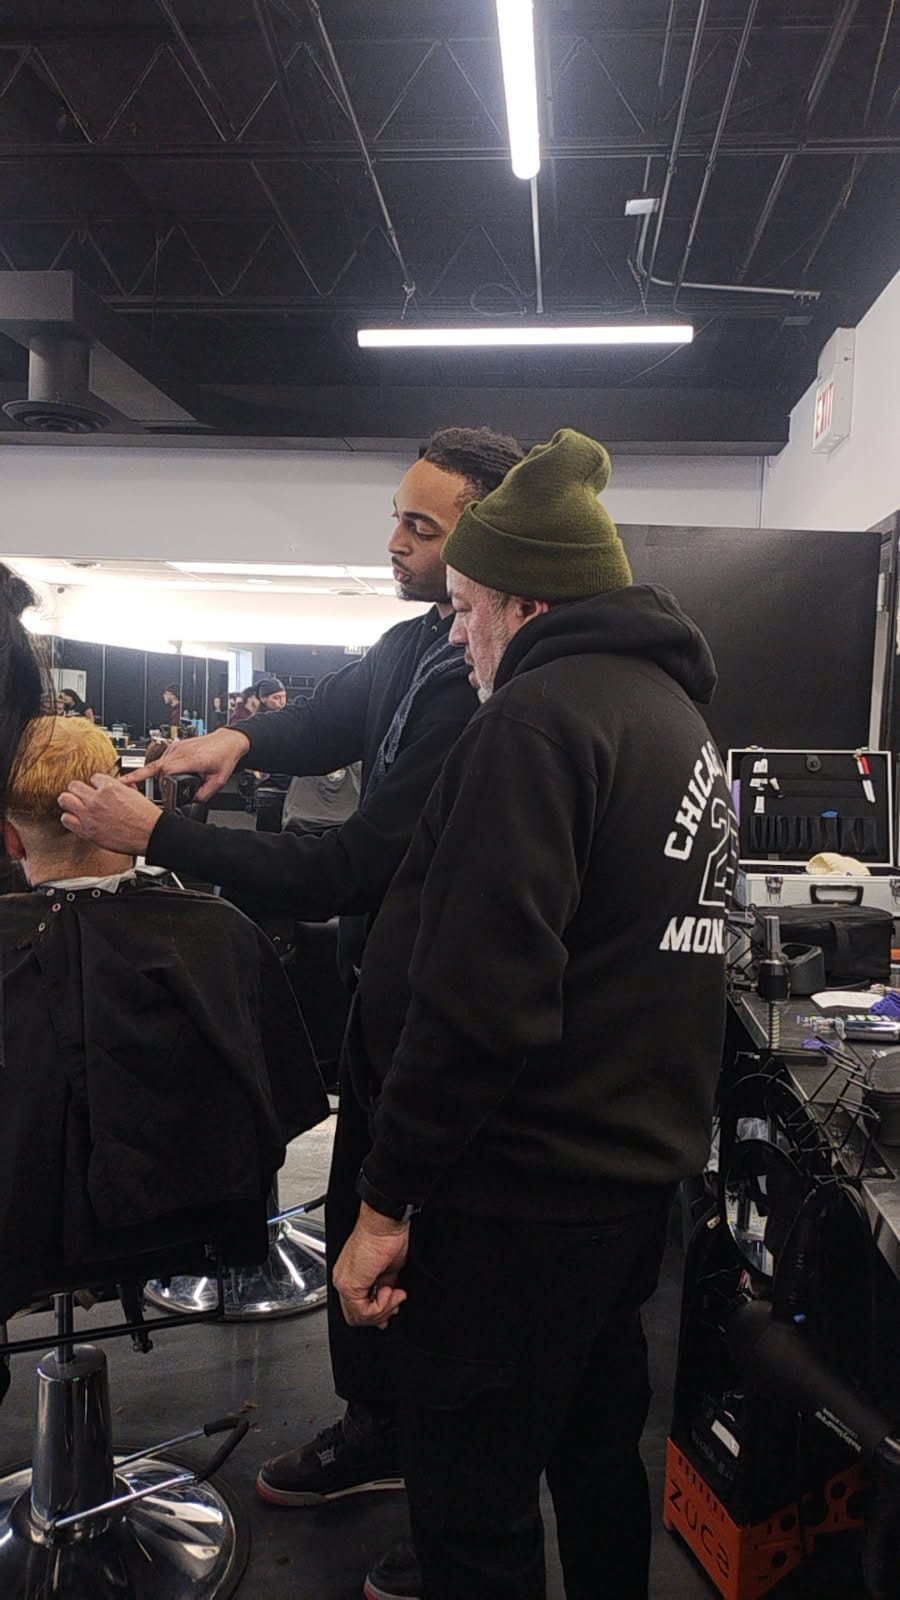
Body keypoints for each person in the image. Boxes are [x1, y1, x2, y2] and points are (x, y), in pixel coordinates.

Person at [53, 424, 525, 1503]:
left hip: (441, 1000)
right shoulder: (412, 643)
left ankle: (429, 1465)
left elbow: (350, 867)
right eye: (396, 517)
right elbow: (330, 714)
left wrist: (160, 835)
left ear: (485, 539)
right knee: (359, 1194)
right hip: (380, 986)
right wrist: (241, 740)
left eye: (422, 528)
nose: (395, 542)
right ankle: (377, 1428)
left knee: (410, 1241)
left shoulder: (481, 683)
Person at [329, 429, 737, 1600]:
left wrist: (385, 1204)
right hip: (623, 1191)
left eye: (466, 609)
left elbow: (478, 1003)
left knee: (473, 1514)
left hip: (514, 1202)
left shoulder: (535, 724)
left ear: (528, 602)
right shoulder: (675, 721)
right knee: (597, 1459)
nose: (457, 637)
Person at [0, 715, 327, 1336]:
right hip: (188, 1229)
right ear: (124, 804)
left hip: (18, 1236)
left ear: (11, 840)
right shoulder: (219, 933)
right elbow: (280, 1100)